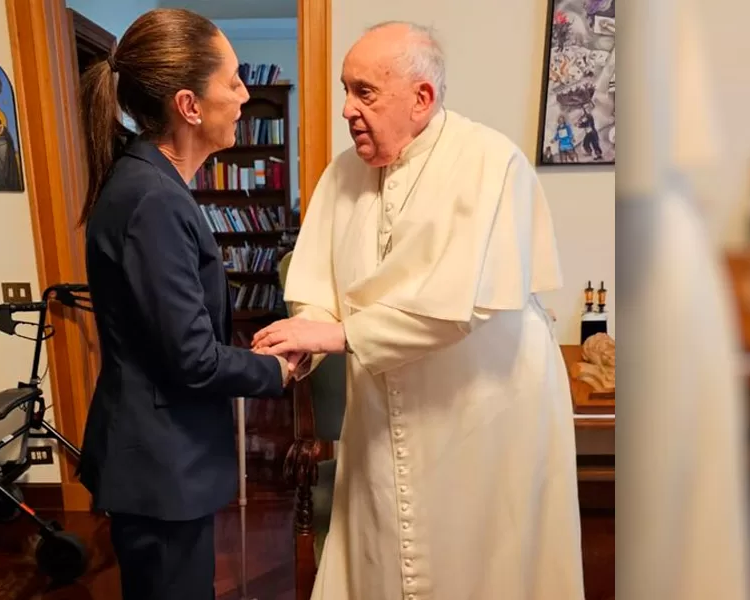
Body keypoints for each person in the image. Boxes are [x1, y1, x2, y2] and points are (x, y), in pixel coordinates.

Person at [252, 21, 585, 600]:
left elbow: (453, 308)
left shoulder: (488, 162)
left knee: (483, 556)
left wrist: (334, 334)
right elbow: (319, 285)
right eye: (345, 90)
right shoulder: (342, 173)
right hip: (383, 408)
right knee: (384, 550)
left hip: (484, 406)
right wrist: (306, 334)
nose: (347, 109)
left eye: (365, 92)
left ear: (421, 98)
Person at [75, 9, 296, 599]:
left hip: (159, 461)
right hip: (159, 469)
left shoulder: (150, 184)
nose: (246, 94)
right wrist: (275, 369)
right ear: (189, 105)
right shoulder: (152, 200)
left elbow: (173, 334)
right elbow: (192, 359)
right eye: (232, 80)